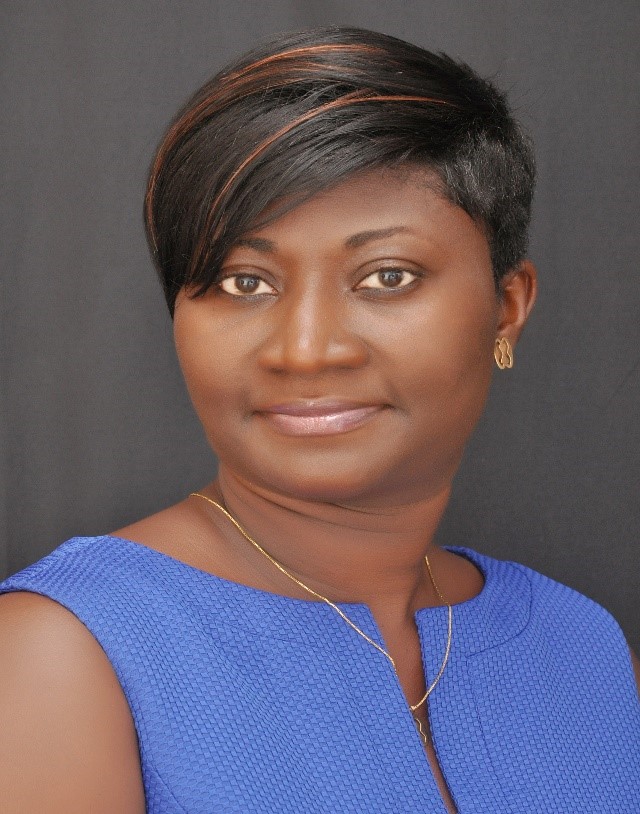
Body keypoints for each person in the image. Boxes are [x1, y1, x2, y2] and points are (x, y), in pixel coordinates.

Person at [0, 26, 638, 814]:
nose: (305, 351)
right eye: (244, 283)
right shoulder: (65, 653)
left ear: (506, 309)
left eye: (387, 276)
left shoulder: (582, 649)